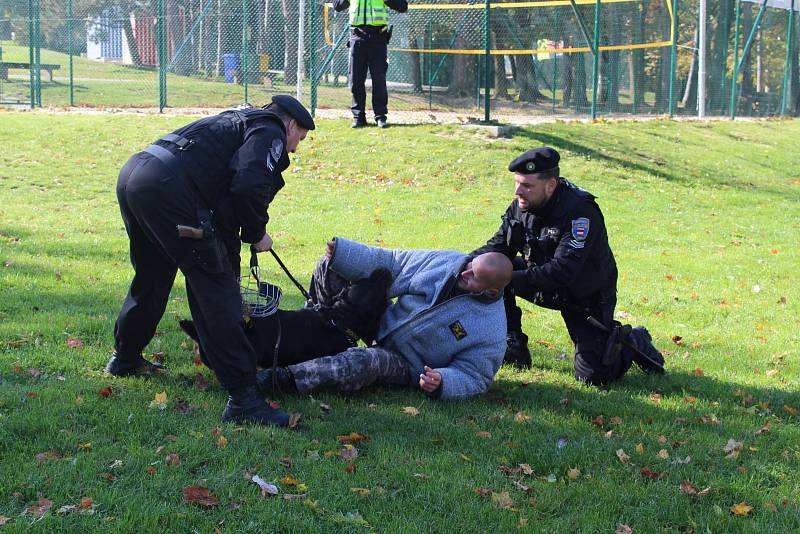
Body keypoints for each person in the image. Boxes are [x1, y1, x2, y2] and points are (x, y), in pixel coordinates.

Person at [105, 95, 314, 427]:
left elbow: (222, 192)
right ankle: (245, 399)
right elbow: (248, 185)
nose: (294, 149)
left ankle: (125, 358)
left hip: (137, 176)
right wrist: (258, 232)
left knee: (153, 274)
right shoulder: (269, 129)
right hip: (170, 189)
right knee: (215, 290)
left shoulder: (237, 117)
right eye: (298, 139)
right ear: (290, 124)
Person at [470, 147, 664, 385]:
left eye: (527, 186)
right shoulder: (520, 206)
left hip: (584, 297)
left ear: (550, 185)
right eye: (517, 183)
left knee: (593, 377)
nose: (518, 191)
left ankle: (634, 341)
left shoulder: (580, 212)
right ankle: (513, 345)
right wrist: (462, 265)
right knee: (492, 268)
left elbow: (562, 272)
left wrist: (506, 278)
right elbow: (498, 247)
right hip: (541, 280)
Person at [257, 237, 513, 400]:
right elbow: (394, 264)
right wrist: (343, 253)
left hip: (405, 363)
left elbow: (475, 377)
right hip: (381, 323)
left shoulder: (491, 330)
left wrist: (443, 381)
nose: (463, 271)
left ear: (491, 290)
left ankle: (282, 379)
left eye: (473, 276)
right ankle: (315, 327)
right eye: (470, 264)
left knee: (365, 361)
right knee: (329, 267)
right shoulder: (449, 262)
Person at [333, 0, 408, 129]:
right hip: (357, 37)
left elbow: (402, 6)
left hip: (378, 37)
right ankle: (358, 118)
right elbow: (337, 6)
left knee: (379, 79)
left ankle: (380, 116)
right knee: (356, 80)